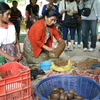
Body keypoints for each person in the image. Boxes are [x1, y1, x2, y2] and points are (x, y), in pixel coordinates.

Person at [0, 2, 28, 67]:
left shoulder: (11, 25)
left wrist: (19, 52)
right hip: (3, 55)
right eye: (7, 14)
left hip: (14, 52)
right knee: (9, 69)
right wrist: (9, 57)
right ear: (0, 14)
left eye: (10, 14)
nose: (9, 16)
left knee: (24, 68)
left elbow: (17, 42)